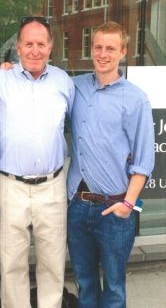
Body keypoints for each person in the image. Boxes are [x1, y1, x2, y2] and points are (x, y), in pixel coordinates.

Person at [67, 21, 155, 308]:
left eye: (111, 48)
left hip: (115, 208)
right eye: (98, 47)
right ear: (91, 49)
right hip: (78, 206)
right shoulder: (74, 87)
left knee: (115, 288)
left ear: (123, 52)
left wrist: (127, 205)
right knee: (86, 284)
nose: (103, 54)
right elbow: (41, 82)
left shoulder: (136, 99)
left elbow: (143, 162)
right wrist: (9, 72)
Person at [0, 16, 75, 308]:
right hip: (11, 186)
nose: (35, 50)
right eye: (28, 44)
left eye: (41, 44)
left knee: (52, 264)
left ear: (50, 46)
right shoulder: (2, 80)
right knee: (11, 265)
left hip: (52, 186)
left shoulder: (63, 82)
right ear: (18, 47)